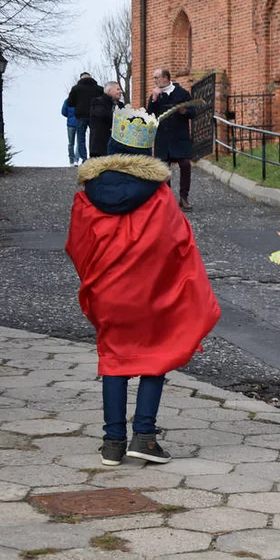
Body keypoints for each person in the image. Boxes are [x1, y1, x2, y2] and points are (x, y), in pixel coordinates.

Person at [66, 107, 220, 467]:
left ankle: (112, 443)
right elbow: (177, 242)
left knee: (114, 360)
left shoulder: (88, 195)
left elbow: (77, 244)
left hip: (107, 292)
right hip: (149, 293)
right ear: (146, 151)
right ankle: (145, 437)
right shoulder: (160, 195)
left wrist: (96, 278)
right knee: (156, 354)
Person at [147, 68, 195, 210]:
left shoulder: (182, 93)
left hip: (180, 137)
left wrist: (184, 111)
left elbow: (193, 112)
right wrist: (154, 100)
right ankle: (167, 200)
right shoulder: (155, 95)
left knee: (185, 164)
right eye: (154, 78)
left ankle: (183, 197)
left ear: (166, 78)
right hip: (162, 138)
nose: (155, 81)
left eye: (157, 77)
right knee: (163, 169)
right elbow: (150, 116)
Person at [67, 72, 103, 159]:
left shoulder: (75, 89)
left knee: (81, 139)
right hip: (95, 116)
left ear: (81, 79)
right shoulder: (99, 89)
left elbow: (70, 103)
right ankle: (94, 157)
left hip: (80, 116)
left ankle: (84, 158)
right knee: (95, 137)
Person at [89, 82, 124, 161]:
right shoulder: (97, 102)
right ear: (109, 91)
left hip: (117, 149)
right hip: (100, 149)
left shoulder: (121, 105)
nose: (120, 91)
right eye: (117, 89)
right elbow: (104, 115)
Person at [62, 97, 82, 165]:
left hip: (70, 124)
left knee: (71, 143)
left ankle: (71, 161)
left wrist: (70, 117)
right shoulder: (80, 100)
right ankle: (76, 160)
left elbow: (63, 112)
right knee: (79, 142)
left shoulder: (67, 101)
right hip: (80, 123)